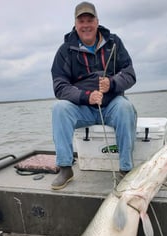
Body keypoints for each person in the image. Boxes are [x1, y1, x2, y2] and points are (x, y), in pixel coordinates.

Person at [51, 1, 137, 190]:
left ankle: (126, 169)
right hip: (83, 109)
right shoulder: (65, 50)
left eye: (90, 20)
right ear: (75, 24)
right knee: (59, 108)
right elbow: (59, 86)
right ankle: (65, 168)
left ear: (97, 21)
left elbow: (130, 74)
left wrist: (113, 83)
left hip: (111, 104)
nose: (86, 25)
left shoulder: (114, 42)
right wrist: (85, 96)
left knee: (125, 107)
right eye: (81, 21)